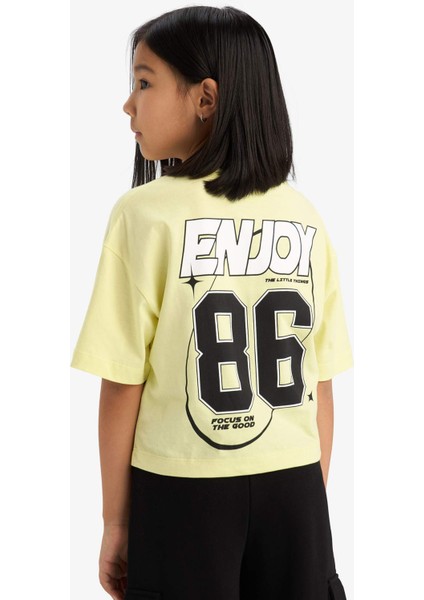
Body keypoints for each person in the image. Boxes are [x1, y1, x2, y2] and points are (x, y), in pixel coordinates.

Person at [70, 6, 353, 600]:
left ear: (205, 99)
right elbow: (320, 384)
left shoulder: (144, 214)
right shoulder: (303, 215)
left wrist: (116, 523)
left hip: (183, 492)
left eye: (143, 82)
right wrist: (307, 506)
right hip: (295, 484)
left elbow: (122, 384)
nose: (128, 105)